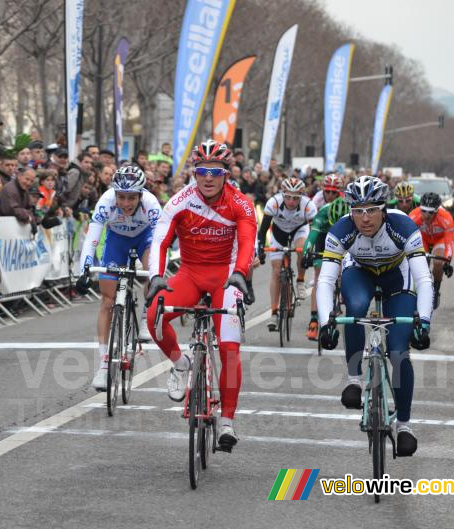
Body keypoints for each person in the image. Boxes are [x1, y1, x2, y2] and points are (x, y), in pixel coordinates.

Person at [145, 139, 255, 451]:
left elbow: (247, 241)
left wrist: (241, 273)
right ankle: (181, 365)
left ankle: (228, 421)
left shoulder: (241, 203)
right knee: (154, 315)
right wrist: (155, 276)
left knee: (230, 347)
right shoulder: (180, 201)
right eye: (201, 170)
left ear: (226, 173)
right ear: (194, 172)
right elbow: (161, 241)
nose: (208, 177)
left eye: (215, 171)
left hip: (226, 275)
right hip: (190, 273)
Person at [317, 176, 433, 457]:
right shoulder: (341, 229)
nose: (364, 218)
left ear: (384, 208)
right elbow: (325, 281)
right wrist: (325, 323)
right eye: (357, 210)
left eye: (371, 210)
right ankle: (355, 381)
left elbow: (424, 278)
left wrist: (425, 321)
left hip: (397, 277)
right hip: (360, 272)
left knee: (398, 351)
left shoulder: (403, 225)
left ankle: (404, 425)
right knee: (354, 308)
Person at [75, 166, 162, 389]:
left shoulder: (151, 205)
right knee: (107, 301)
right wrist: (84, 269)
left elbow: (161, 243)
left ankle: (145, 317)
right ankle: (104, 366)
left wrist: (156, 273)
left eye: (131, 197)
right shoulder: (105, 202)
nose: (125, 203)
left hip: (145, 238)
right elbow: (92, 237)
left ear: (140, 195)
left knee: (151, 270)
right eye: (121, 197)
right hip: (116, 240)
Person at [257, 177, 318, 331]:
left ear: (301, 196)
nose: (291, 201)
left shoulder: (308, 206)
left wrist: (310, 252)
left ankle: (300, 280)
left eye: (296, 198)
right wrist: (260, 248)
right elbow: (263, 229)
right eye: (288, 197)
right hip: (279, 233)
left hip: (300, 230)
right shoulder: (274, 202)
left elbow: (314, 232)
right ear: (283, 194)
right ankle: (274, 313)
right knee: (276, 271)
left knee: (302, 249)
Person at [301, 197, 349, 340]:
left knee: (345, 267)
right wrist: (305, 254)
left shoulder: (352, 215)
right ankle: (314, 320)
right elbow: (312, 237)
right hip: (324, 237)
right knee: (319, 276)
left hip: (345, 238)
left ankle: (342, 289)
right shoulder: (322, 214)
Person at [409, 193, 454, 309]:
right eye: (424, 211)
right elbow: (407, 237)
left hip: (438, 240)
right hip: (423, 239)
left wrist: (448, 260)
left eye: (431, 212)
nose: (426, 215)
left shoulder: (446, 218)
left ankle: (436, 288)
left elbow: (449, 242)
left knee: (438, 262)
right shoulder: (414, 216)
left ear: (437, 211)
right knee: (417, 263)